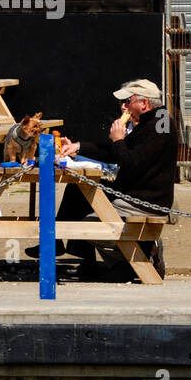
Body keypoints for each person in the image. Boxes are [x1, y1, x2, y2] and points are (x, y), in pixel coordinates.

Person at [26, 78, 175, 278]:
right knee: (79, 189)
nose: (123, 107)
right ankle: (71, 251)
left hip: (144, 198)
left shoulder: (157, 127)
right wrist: (77, 148)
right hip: (133, 189)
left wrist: (119, 140)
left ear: (144, 103)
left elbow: (131, 164)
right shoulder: (154, 120)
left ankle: (142, 253)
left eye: (127, 102)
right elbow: (113, 152)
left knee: (88, 224)